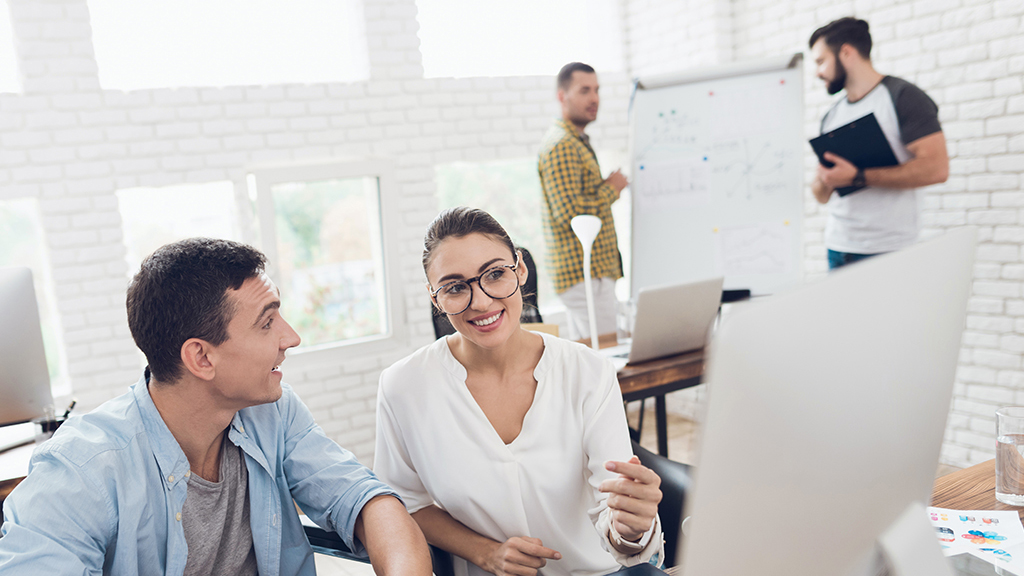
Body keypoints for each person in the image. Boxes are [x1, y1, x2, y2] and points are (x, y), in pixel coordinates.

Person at [0, 238, 432, 576]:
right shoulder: (82, 470)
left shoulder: (272, 413)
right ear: (201, 358)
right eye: (267, 323)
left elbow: (363, 499)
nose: (291, 337)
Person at [374, 207, 664, 576]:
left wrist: (632, 527)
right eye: (455, 287)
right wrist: (485, 553)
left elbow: (618, 520)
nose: (480, 302)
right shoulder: (404, 386)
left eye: (495, 274)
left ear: (521, 269)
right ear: (435, 298)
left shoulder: (588, 371)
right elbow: (405, 503)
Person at [809, 17, 949, 270]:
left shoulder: (903, 97)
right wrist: (824, 179)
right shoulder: (831, 115)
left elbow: (937, 169)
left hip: (888, 250)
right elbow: (821, 196)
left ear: (846, 52)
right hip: (838, 247)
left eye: (821, 61)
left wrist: (857, 176)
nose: (818, 72)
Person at [538, 62, 628, 339]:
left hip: (591, 272)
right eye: (585, 90)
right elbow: (570, 212)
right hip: (584, 272)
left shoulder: (575, 142)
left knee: (590, 358)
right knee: (608, 355)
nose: (594, 99)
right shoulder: (563, 145)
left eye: (597, 90)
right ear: (562, 97)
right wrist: (611, 190)